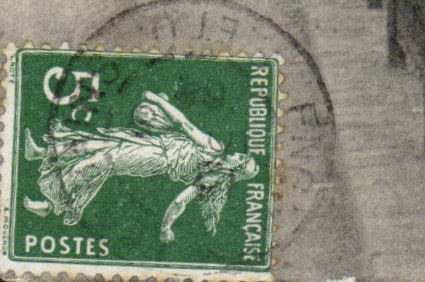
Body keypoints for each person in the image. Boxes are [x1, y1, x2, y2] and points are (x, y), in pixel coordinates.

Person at [22, 90, 259, 241]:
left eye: (243, 159)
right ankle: (42, 153)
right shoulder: (214, 164)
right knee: (100, 144)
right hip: (158, 143)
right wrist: (166, 228)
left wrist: (156, 100)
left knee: (102, 159)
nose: (240, 154)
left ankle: (52, 204)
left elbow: (183, 125)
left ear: (237, 167)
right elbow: (180, 199)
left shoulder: (214, 159)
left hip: (157, 157)